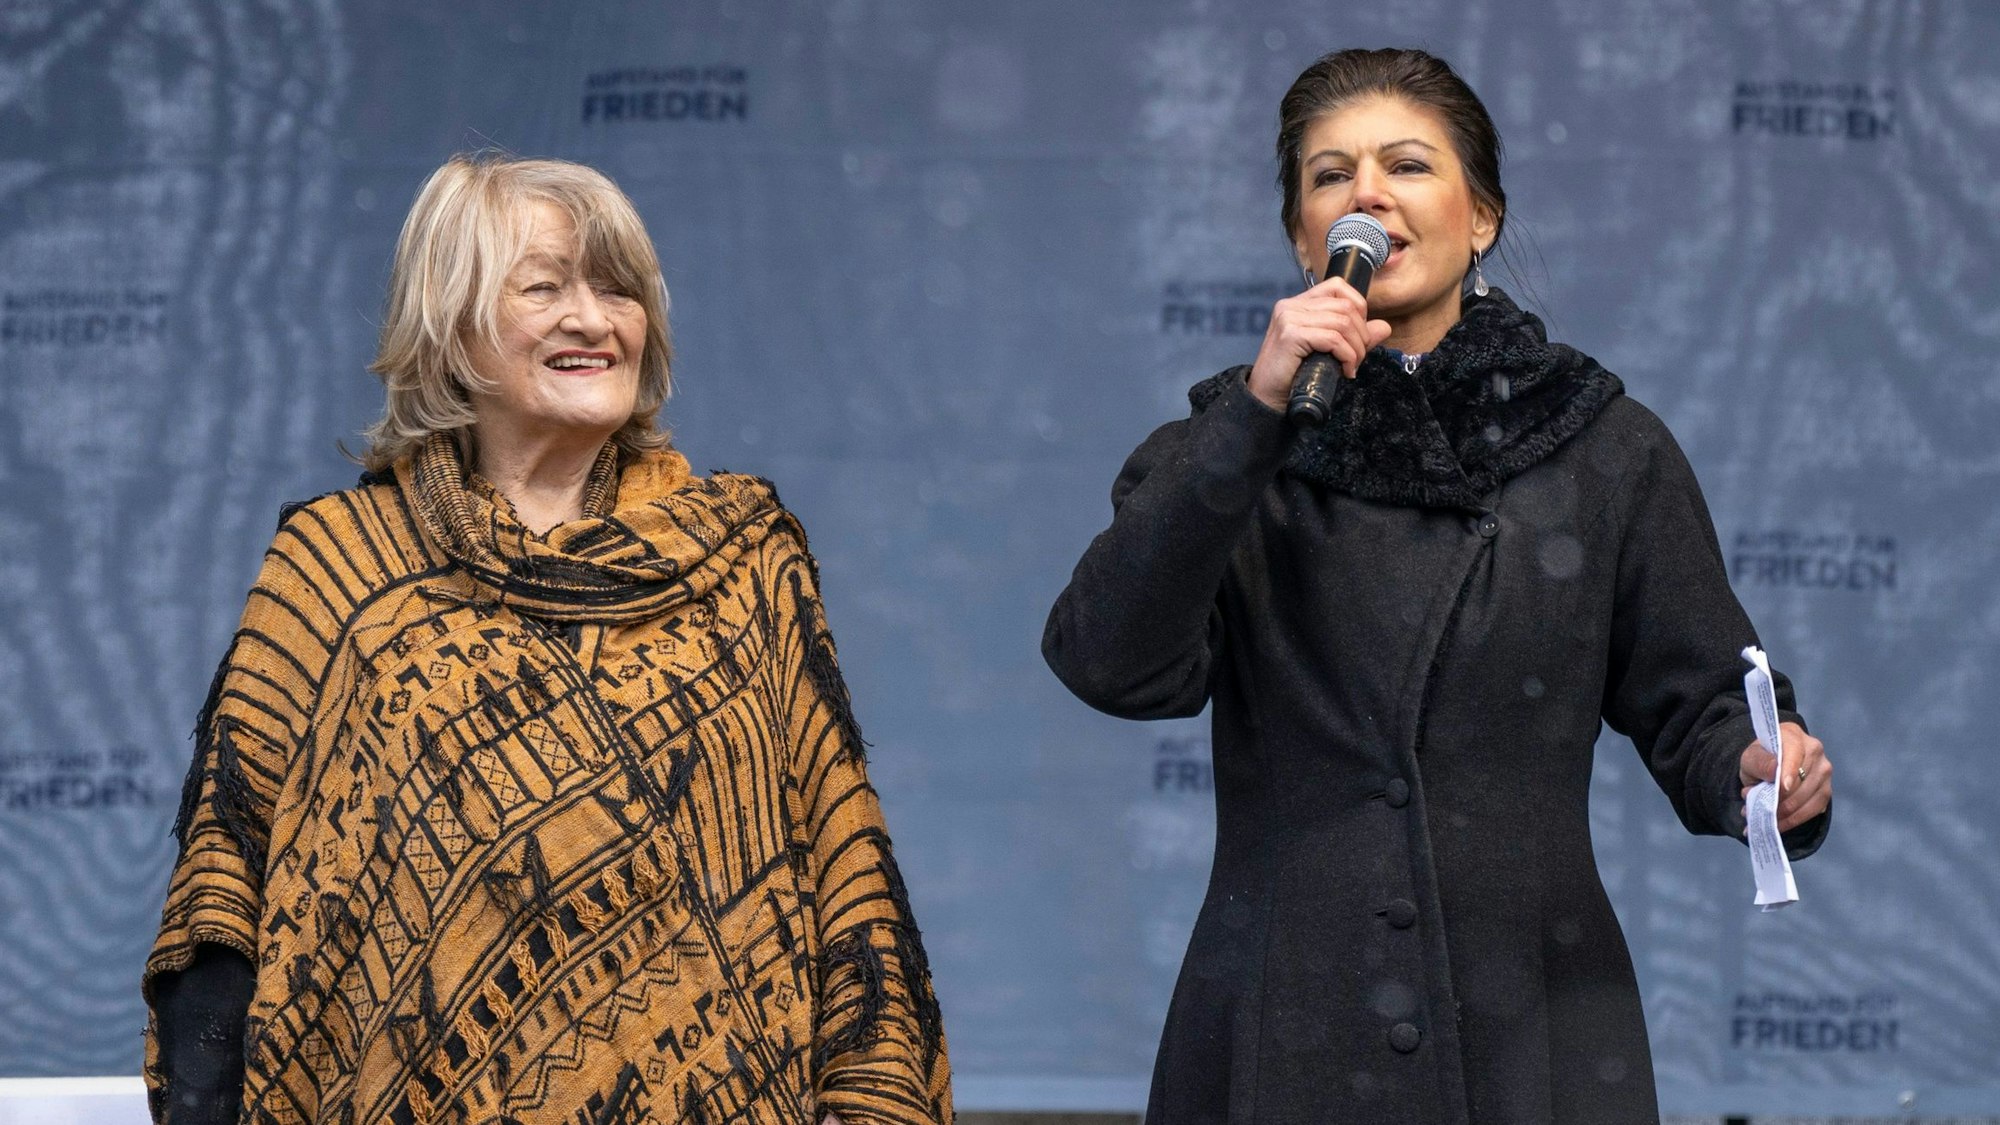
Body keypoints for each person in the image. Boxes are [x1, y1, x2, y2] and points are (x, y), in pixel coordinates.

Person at [1042, 48, 1832, 1125]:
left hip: (1532, 1016)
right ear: (1299, 239)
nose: (1364, 192)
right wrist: (1250, 427)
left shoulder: (1600, 449)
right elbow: (1110, 662)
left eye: (1405, 164)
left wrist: (1759, 769)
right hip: (1288, 1014)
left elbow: (1697, 702)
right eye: (1328, 176)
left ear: (1482, 218)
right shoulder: (1225, 454)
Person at [144, 153, 952, 1125]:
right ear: (449, 325)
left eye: (617, 289)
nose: (591, 317)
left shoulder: (742, 558)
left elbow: (844, 867)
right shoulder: (337, 572)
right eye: (545, 286)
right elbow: (228, 894)